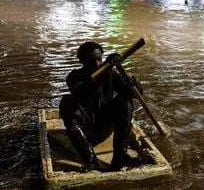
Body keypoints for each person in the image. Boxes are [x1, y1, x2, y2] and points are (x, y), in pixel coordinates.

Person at [59, 42, 143, 172]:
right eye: (92, 61)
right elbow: (83, 94)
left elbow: (134, 94)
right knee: (66, 102)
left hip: (105, 125)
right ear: (82, 61)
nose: (97, 64)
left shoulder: (111, 74)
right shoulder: (74, 77)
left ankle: (120, 157)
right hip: (86, 128)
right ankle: (90, 160)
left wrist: (134, 84)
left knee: (125, 101)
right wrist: (105, 68)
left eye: (99, 59)